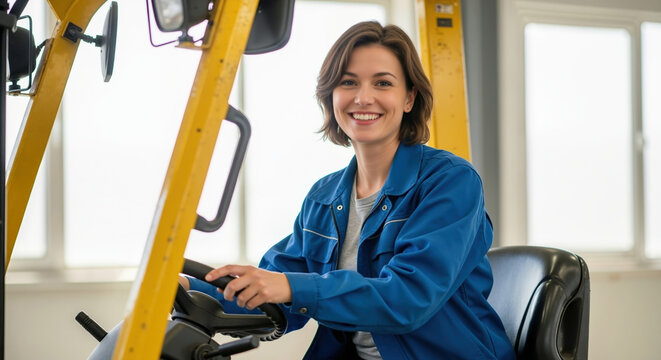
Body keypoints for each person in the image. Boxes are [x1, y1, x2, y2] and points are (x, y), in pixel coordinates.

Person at [181, 21, 516, 360]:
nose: (363, 97)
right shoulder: (324, 198)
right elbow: (269, 294)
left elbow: (408, 298)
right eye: (348, 83)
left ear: (409, 98)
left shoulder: (449, 182)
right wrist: (190, 289)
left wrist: (291, 286)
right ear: (331, 97)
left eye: (382, 83)